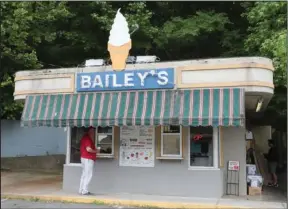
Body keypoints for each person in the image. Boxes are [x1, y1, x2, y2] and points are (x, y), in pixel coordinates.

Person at [79, 127, 97, 195]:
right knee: (88, 174)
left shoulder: (85, 137)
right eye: (92, 130)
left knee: (84, 174)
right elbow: (88, 149)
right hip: (88, 158)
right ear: (90, 131)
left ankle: (81, 190)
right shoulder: (87, 138)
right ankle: (84, 190)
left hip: (84, 158)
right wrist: (96, 151)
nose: (93, 132)